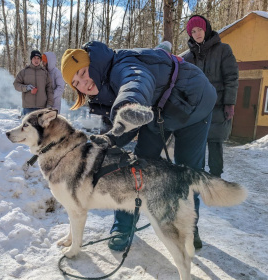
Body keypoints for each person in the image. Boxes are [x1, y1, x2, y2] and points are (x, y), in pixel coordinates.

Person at [60, 41, 217, 251]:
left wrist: (127, 107)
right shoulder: (100, 97)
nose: (83, 81)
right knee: (136, 170)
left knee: (189, 171)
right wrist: (110, 139)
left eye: (83, 71)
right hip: (157, 114)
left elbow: (136, 81)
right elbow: (123, 128)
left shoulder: (122, 64)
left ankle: (188, 229)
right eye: (76, 82)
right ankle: (122, 228)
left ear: (94, 65)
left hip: (195, 106)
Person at [183, 15, 239, 247]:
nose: (197, 33)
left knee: (215, 142)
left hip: (217, 105)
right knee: (196, 148)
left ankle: (216, 182)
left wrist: (230, 102)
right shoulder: (187, 57)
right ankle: (201, 181)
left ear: (206, 29)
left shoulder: (223, 50)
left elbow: (231, 77)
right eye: (193, 31)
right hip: (197, 109)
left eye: (200, 29)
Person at [13, 50, 54, 115]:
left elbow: (49, 89)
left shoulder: (45, 73)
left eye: (38, 58)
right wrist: (26, 88)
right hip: (28, 108)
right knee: (28, 125)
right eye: (34, 58)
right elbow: (16, 84)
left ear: (40, 60)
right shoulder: (24, 72)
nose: (36, 60)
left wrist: (49, 104)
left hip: (42, 107)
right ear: (31, 59)